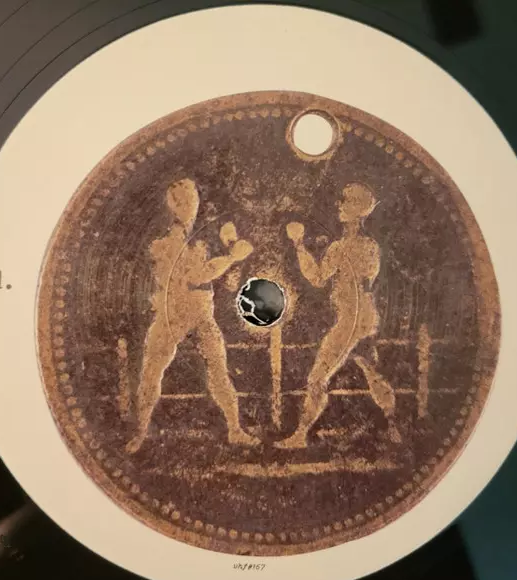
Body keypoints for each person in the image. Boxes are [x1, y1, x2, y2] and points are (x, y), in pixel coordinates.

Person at [126, 178, 256, 453]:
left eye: (194, 198)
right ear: (173, 205)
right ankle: (140, 433)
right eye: (185, 201)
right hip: (171, 314)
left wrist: (232, 252)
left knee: (219, 370)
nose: (191, 206)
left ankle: (235, 429)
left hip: (202, 314)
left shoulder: (200, 240)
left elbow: (223, 282)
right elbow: (198, 275)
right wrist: (232, 257)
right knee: (151, 372)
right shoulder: (169, 241)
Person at [277, 183, 401, 449]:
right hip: (366, 319)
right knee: (373, 373)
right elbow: (332, 278)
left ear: (357, 209)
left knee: (317, 378)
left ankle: (300, 435)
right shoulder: (362, 246)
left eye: (345, 201)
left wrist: (300, 246)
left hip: (351, 321)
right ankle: (394, 428)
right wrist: (303, 248)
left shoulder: (349, 247)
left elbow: (323, 279)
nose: (339, 205)